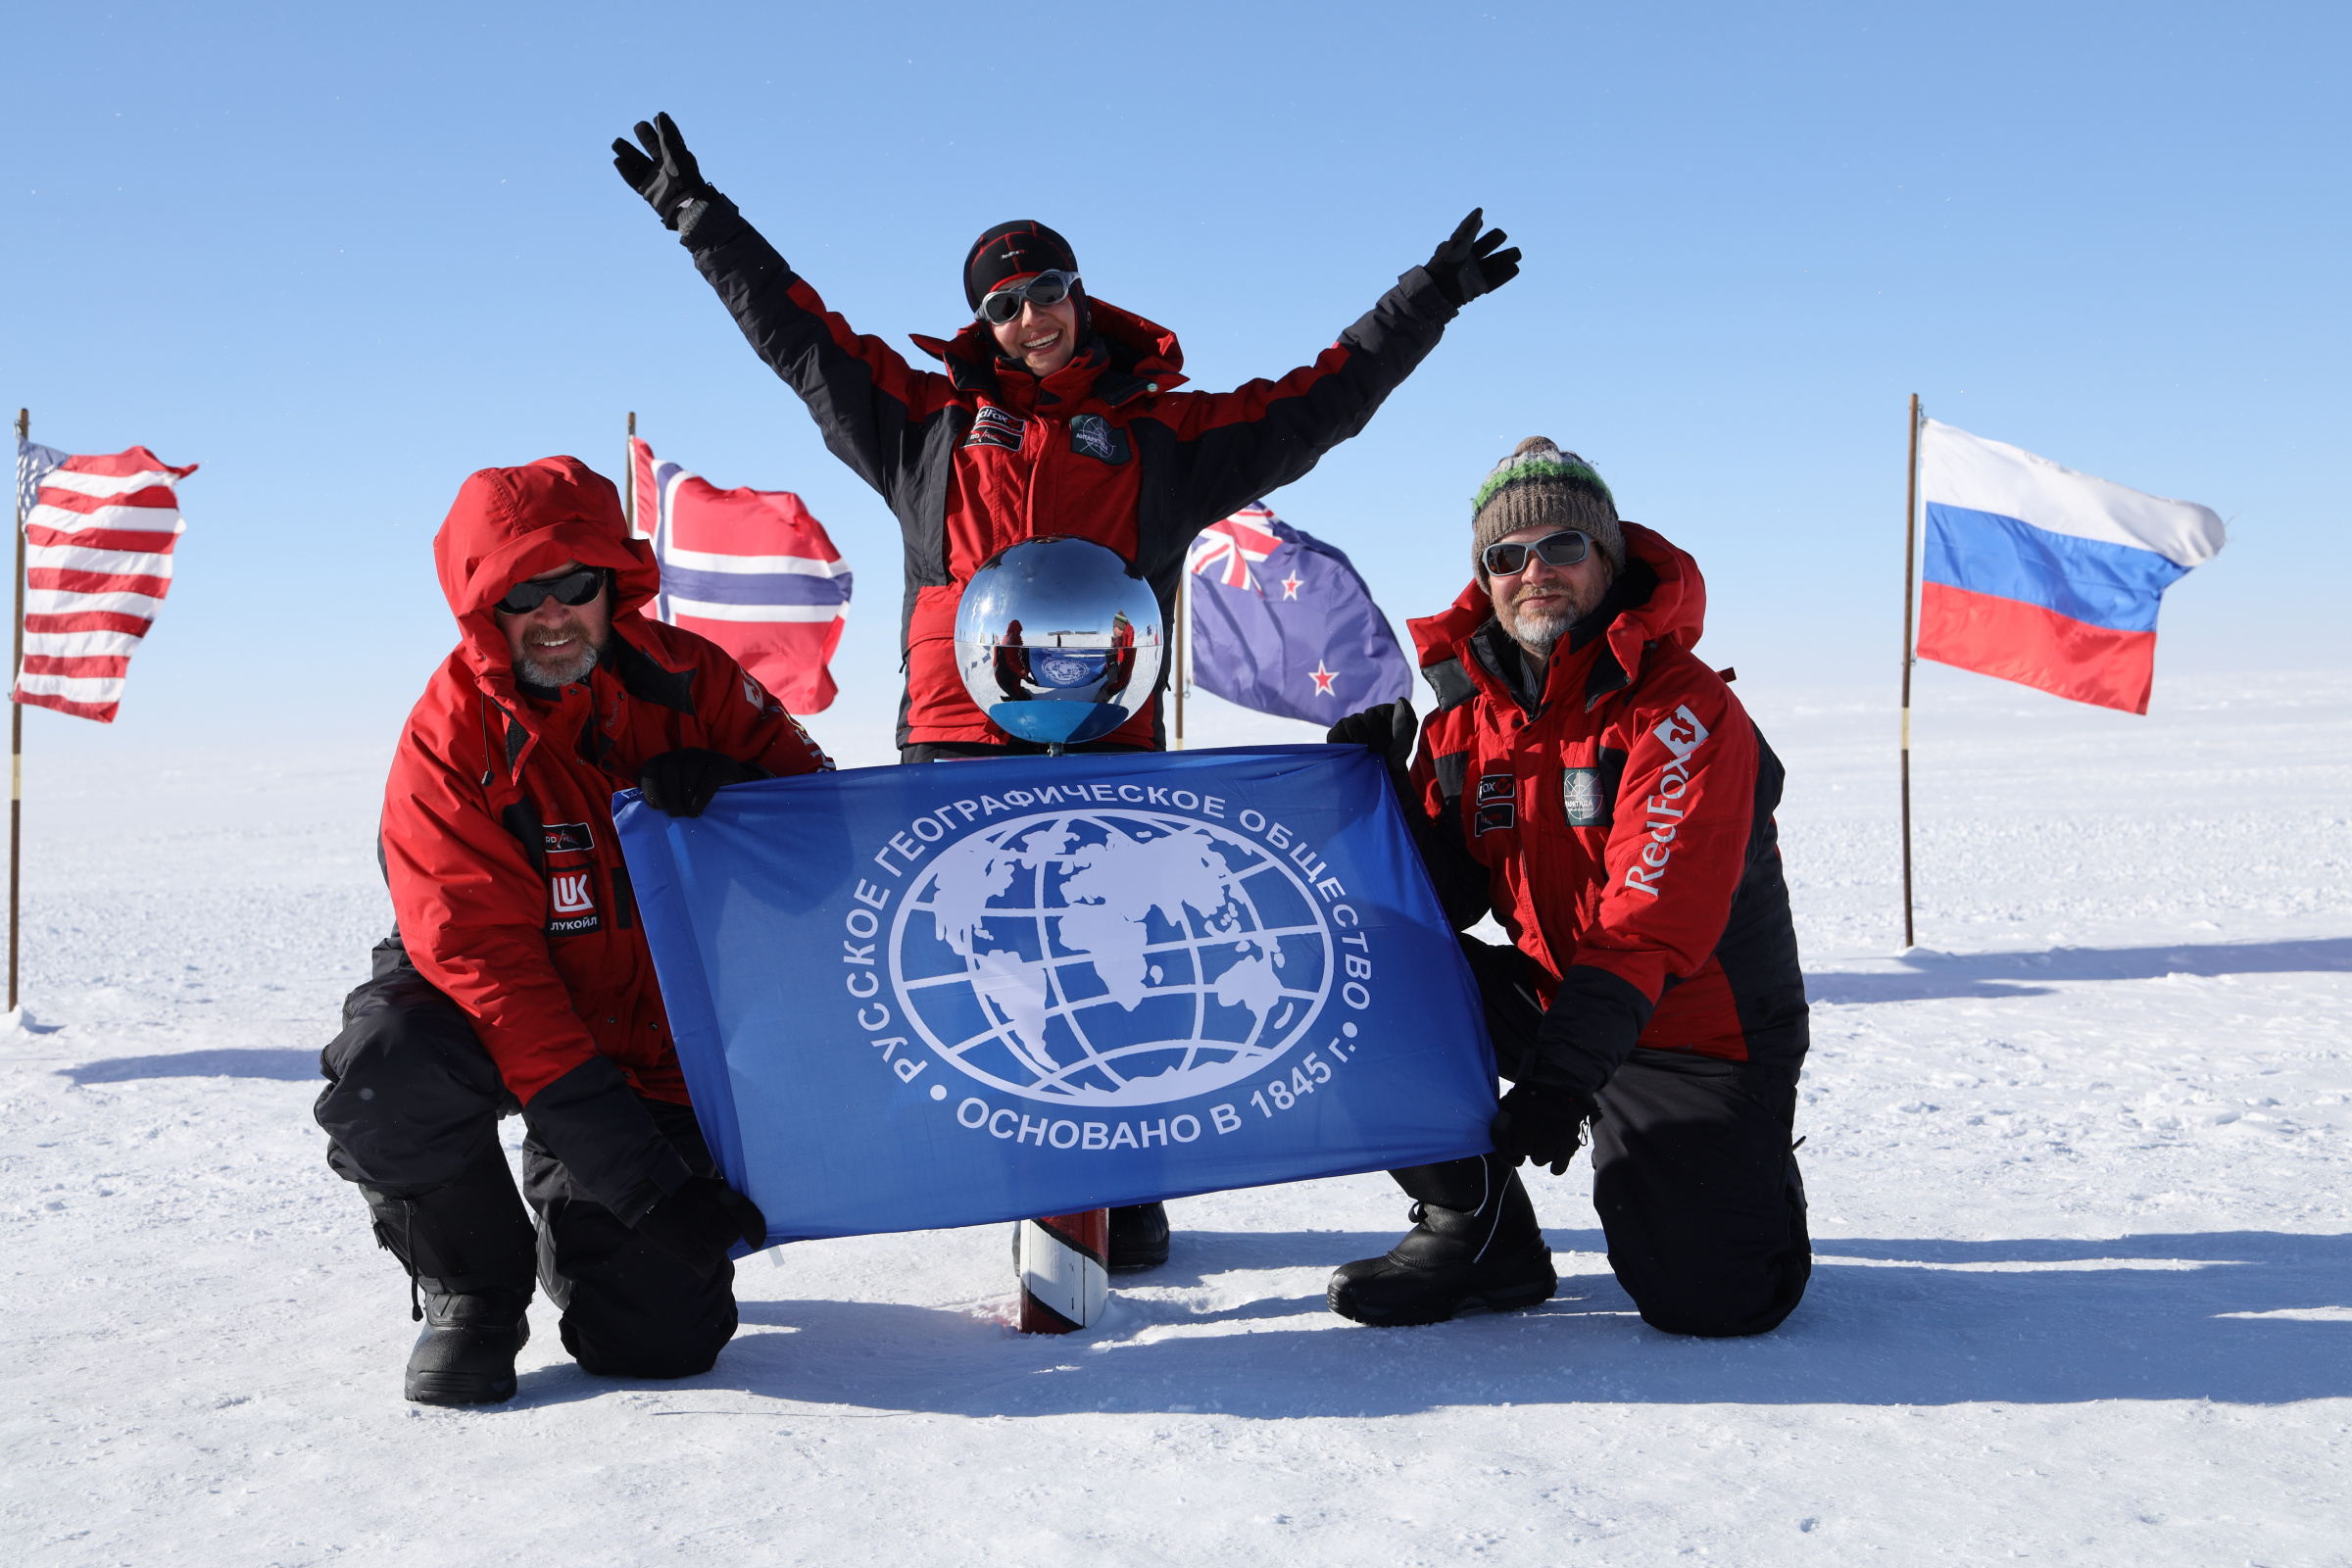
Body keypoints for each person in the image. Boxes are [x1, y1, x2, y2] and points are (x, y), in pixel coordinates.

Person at [611, 111, 1522, 1269]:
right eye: (1003, 303)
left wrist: (1426, 298)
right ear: (977, 323)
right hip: (959, 753)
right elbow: (798, 334)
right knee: (973, 975)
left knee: (1114, 952)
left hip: (1107, 741)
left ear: (1080, 296)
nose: (1030, 317)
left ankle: (1117, 1189)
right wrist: (700, 217)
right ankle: (1028, 1176)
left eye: (1047, 291)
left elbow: (1317, 401)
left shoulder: (1159, 439)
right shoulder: (922, 427)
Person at [315, 457, 834, 1405]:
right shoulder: (450, 738)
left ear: (613, 585)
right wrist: (641, 1179)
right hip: (494, 1010)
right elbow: (491, 971)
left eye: (574, 585)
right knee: (389, 1069)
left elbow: (828, 837)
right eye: (521, 594)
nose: (553, 614)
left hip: (657, 1041)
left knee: (658, 1339)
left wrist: (743, 796)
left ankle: (582, 1223)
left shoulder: (693, 680)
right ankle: (471, 1282)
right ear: (483, 608)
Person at [1324, 438, 1811, 1337]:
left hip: (1698, 1035)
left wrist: (1558, 1086)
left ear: (1608, 558)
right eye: (1506, 557)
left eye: (1561, 547)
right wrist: (1377, 806)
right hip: (1560, 1002)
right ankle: (1479, 1235)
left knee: (1714, 1301)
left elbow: (1645, 929)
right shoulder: (1469, 720)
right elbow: (1440, 904)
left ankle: (1746, 1165)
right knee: (1347, 977)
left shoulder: (1684, 709)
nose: (1532, 571)